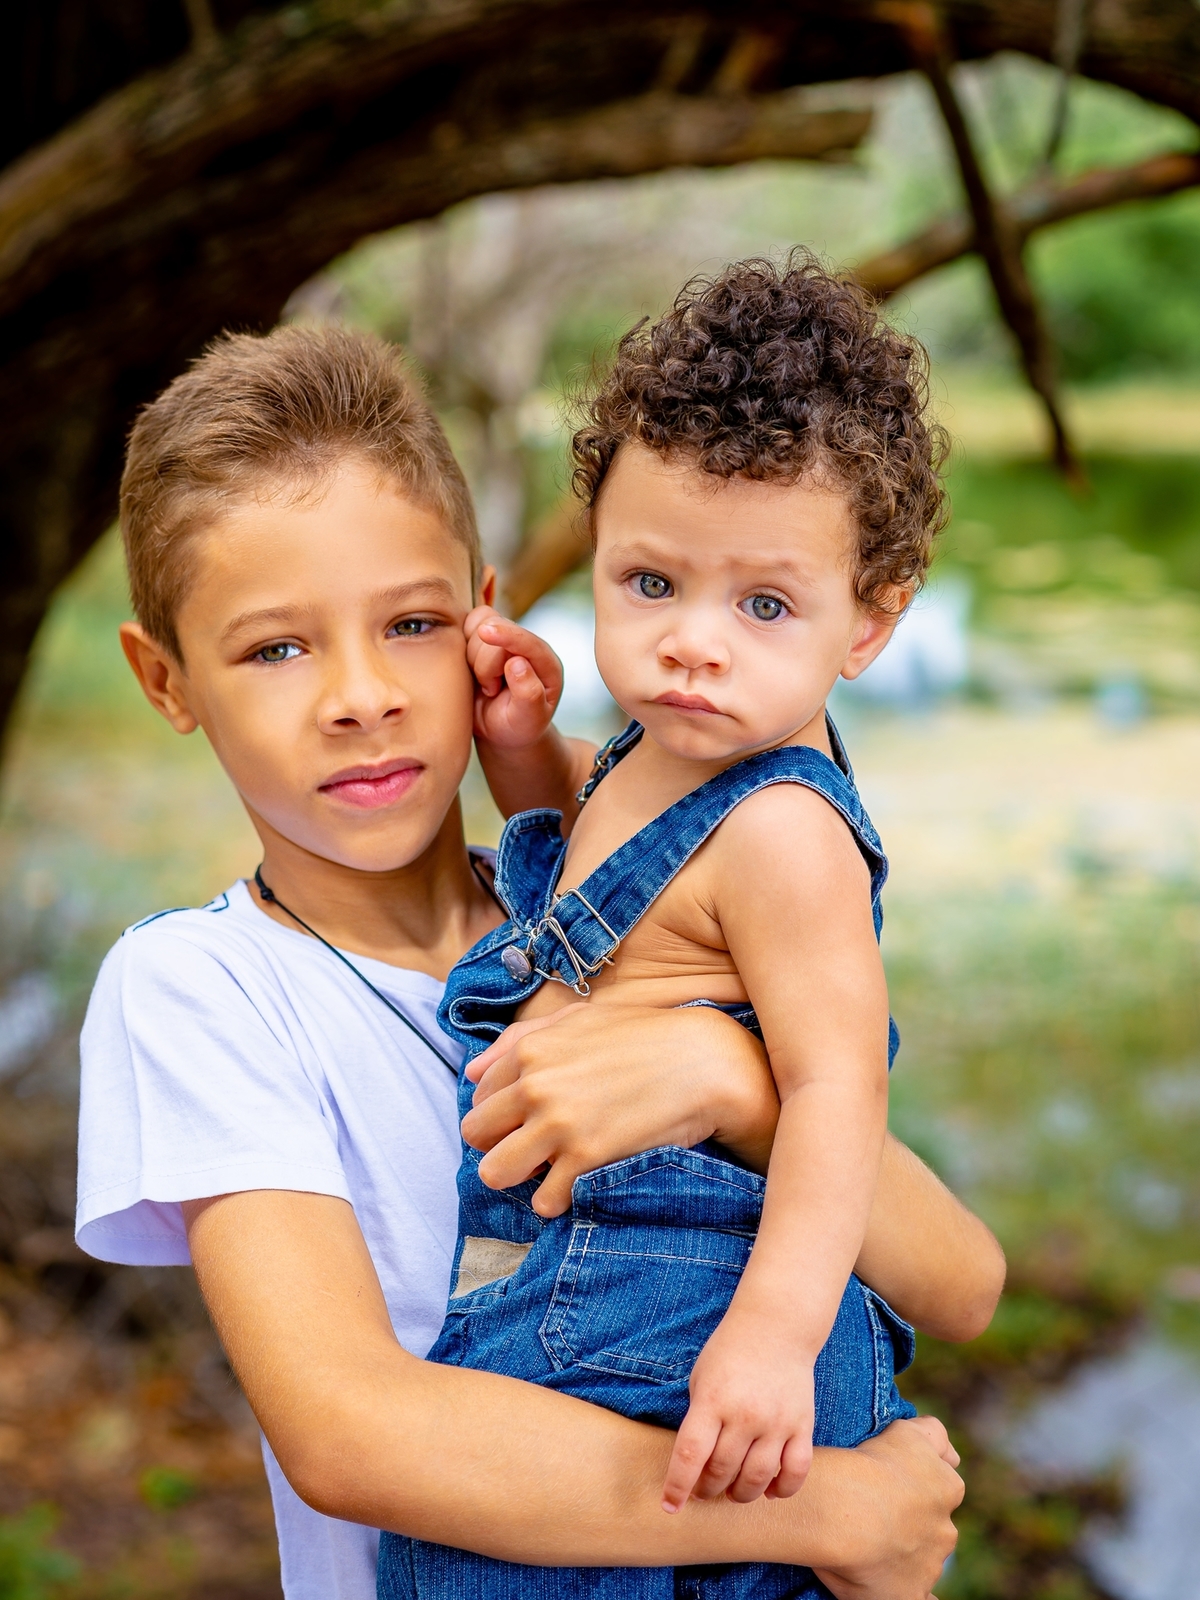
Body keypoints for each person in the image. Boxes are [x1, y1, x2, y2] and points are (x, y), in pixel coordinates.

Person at [75, 323, 996, 1600]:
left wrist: (728, 1083)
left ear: (485, 616)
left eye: (410, 623)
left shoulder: (642, 924)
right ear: (164, 677)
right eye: (276, 646)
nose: (361, 695)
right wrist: (826, 1513)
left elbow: (962, 1281)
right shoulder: (201, 988)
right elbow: (352, 1434)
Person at [380, 257, 989, 1600]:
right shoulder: (661, 756)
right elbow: (601, 909)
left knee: (481, 1560)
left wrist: (772, 1338)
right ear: (595, 545)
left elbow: (838, 1090)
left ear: (871, 625)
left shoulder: (785, 835)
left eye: (763, 606)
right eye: (649, 584)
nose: (692, 646)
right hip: (601, 1287)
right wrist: (528, 755)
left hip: (682, 1304)